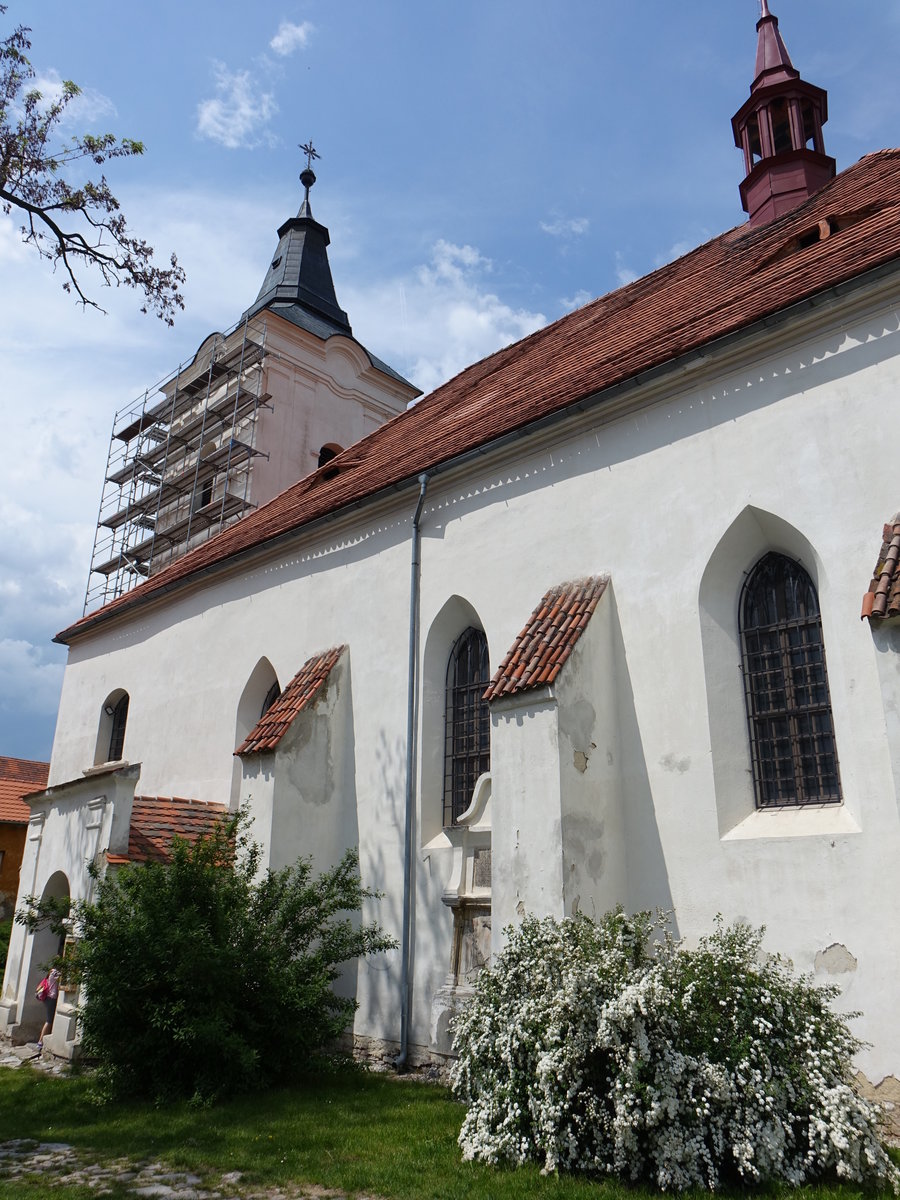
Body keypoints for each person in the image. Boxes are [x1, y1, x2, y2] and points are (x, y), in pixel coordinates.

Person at [37, 967, 60, 1052]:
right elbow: (60, 976)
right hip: (51, 998)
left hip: (48, 998)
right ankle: (40, 1041)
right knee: (49, 1020)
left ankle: (43, 1039)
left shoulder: (50, 973)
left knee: (50, 1019)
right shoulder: (54, 972)